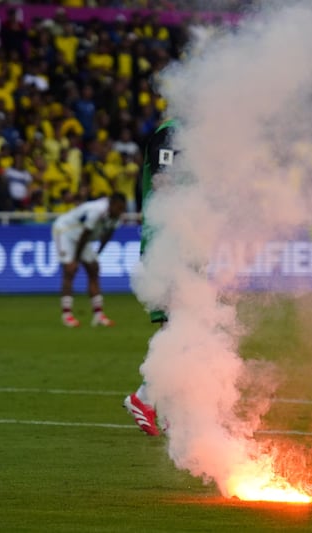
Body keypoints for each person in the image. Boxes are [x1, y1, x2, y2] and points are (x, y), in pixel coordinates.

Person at [124, 117, 178, 436]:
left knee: (187, 325)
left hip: (188, 240)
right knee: (179, 324)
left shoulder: (199, 136)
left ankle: (172, 407)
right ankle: (144, 397)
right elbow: (163, 181)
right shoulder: (171, 133)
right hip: (167, 241)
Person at [52, 192, 127, 327]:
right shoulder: (96, 211)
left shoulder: (116, 216)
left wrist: (98, 253)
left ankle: (98, 315)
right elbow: (85, 234)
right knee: (70, 270)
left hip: (82, 237)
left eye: (123, 209)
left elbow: (108, 235)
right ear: (112, 204)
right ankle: (67, 315)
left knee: (94, 269)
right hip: (65, 231)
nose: (120, 212)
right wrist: (75, 259)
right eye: (119, 208)